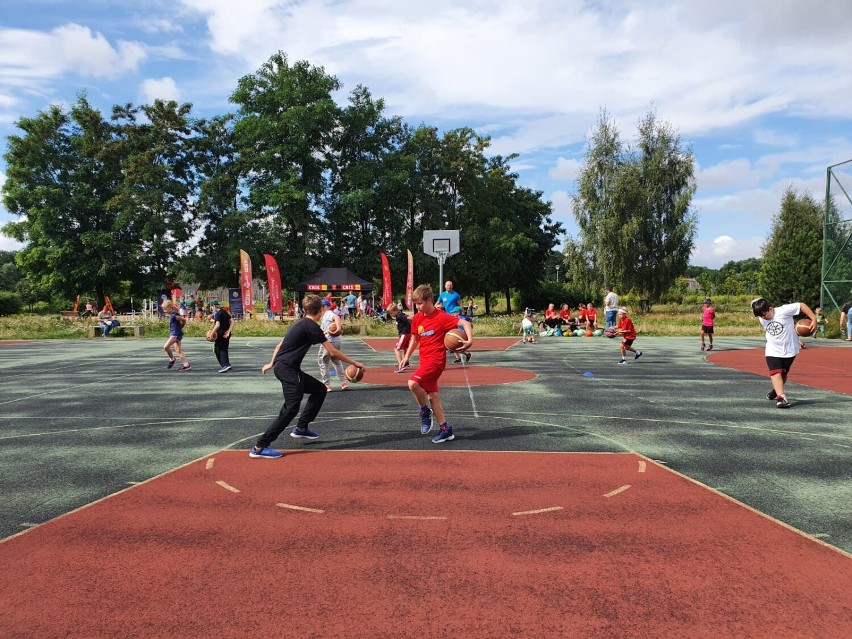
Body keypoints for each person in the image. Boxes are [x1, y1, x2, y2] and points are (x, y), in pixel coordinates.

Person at [250, 294, 366, 459]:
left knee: (319, 390)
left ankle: (301, 428)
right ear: (321, 310)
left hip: (287, 368)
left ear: (304, 310)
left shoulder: (300, 323)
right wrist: (356, 363)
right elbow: (332, 351)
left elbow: (280, 345)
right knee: (291, 407)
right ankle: (260, 446)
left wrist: (271, 363)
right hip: (288, 370)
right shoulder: (311, 326)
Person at [402, 284, 473, 444]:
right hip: (424, 361)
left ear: (429, 301)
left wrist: (469, 341)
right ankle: (445, 429)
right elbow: (415, 339)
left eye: (420, 303)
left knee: (413, 383)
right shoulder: (418, 318)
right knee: (432, 397)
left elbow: (465, 324)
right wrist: (406, 356)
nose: (418, 307)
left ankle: (424, 411)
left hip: (436, 361)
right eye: (416, 304)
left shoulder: (441, 317)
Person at [751, 297, 817, 408]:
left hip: (790, 349)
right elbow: (754, 303)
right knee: (775, 372)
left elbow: (801, 305)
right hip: (772, 349)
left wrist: (813, 318)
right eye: (760, 316)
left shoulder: (784, 310)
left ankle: (776, 391)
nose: (763, 318)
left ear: (771, 309)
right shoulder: (761, 314)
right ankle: (781, 398)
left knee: (783, 374)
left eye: (764, 315)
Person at [317, 299, 347, 391]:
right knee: (336, 361)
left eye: (322, 306)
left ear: (327, 307)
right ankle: (343, 382)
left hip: (329, 342)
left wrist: (338, 328)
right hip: (337, 341)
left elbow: (337, 317)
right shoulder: (324, 316)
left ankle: (327, 385)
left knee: (323, 362)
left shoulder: (328, 313)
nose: (321, 308)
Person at [161, 300, 190, 370]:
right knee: (178, 350)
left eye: (165, 309)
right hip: (174, 333)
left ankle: (172, 359)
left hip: (175, 334)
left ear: (171, 308)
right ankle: (186, 365)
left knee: (165, 346)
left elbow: (184, 320)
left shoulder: (175, 315)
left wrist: (181, 327)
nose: (164, 311)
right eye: (163, 309)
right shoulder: (172, 315)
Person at [387, 303, 412, 372]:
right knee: (405, 348)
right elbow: (407, 317)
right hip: (408, 333)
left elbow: (408, 318)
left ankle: (401, 365)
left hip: (404, 334)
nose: (390, 315)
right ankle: (405, 362)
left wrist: (415, 319)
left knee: (396, 349)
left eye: (391, 313)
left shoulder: (399, 315)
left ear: (395, 311)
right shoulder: (401, 314)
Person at [210, 301, 233, 373]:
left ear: (214, 306)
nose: (211, 308)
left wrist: (212, 333)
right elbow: (232, 321)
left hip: (221, 334)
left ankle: (225, 365)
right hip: (226, 333)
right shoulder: (224, 312)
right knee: (223, 349)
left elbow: (218, 325)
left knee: (219, 350)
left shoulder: (218, 314)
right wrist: (229, 331)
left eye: (211, 306)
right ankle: (226, 364)